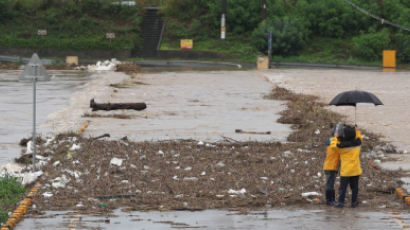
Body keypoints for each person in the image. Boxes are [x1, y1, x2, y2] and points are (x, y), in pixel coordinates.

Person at [330, 124, 362, 208]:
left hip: (346, 171)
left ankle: (341, 202)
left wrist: (335, 137)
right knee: (354, 188)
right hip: (356, 170)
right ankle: (354, 203)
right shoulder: (358, 144)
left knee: (342, 188)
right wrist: (357, 131)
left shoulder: (341, 148)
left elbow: (333, 145)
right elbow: (359, 138)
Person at [323, 123, 340, 205]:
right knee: (329, 184)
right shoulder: (333, 143)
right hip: (330, 167)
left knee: (331, 184)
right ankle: (329, 200)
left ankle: (331, 200)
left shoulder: (330, 141)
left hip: (332, 167)